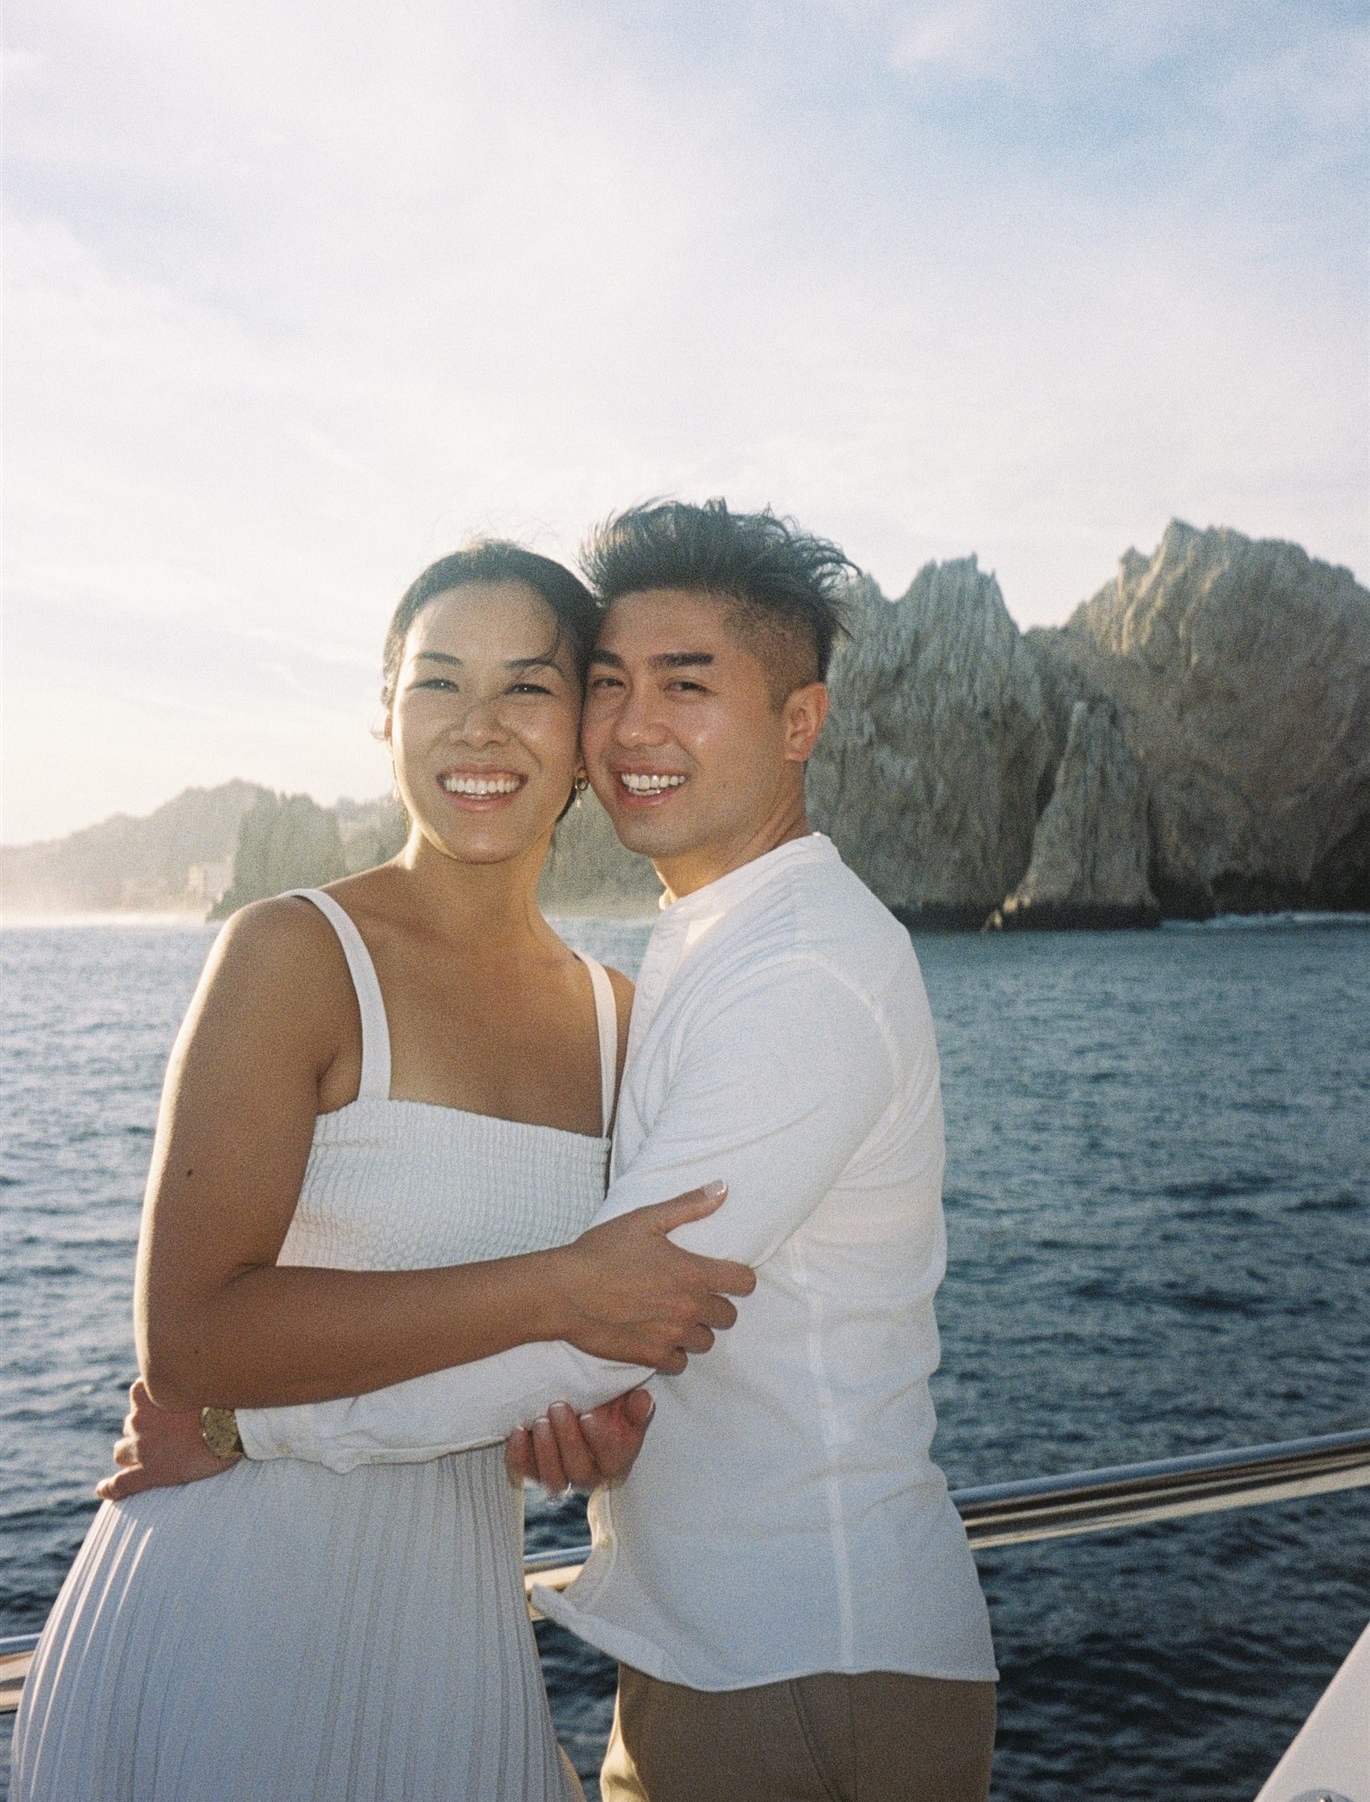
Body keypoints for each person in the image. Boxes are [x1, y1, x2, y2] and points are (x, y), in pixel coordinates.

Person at [112, 500, 998, 1802]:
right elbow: (615, 1327)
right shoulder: (698, 946)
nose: (636, 725)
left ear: (797, 723)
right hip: (703, 1649)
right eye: (609, 684)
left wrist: (256, 1430)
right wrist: (608, 1428)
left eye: (686, 686)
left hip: (807, 1664)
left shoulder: (797, 973)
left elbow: (607, 1315)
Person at [12, 541, 756, 1802]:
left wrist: (606, 1422)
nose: (478, 726)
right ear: (385, 711)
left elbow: (629, 1324)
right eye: (436, 683)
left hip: (456, 1629)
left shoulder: (626, 1017)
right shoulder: (292, 951)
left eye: (526, 686)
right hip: (222, 1611)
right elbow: (193, 1342)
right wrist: (557, 1291)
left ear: (583, 724)